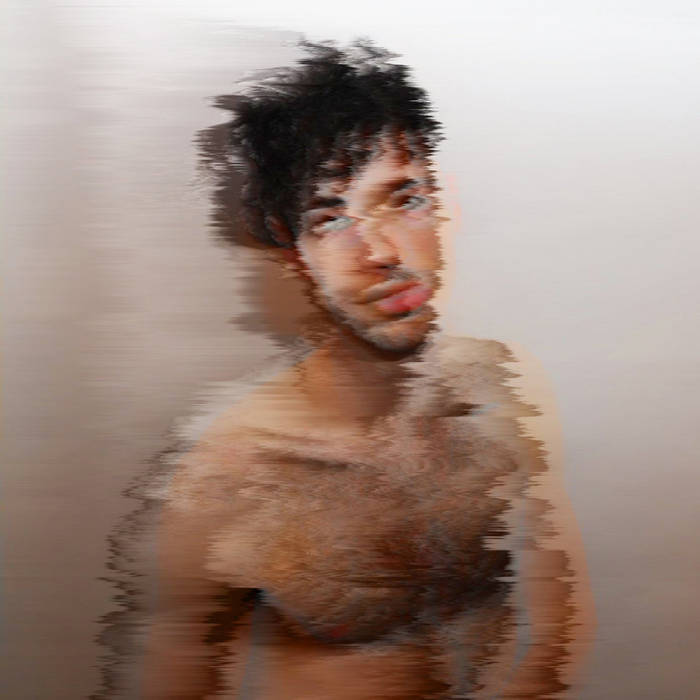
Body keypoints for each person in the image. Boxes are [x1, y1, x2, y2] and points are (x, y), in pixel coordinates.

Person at [141, 40, 592, 699]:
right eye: (331, 218)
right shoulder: (232, 473)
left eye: (404, 200)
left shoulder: (503, 388)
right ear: (291, 249)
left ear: (441, 200)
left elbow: (558, 623)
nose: (381, 250)